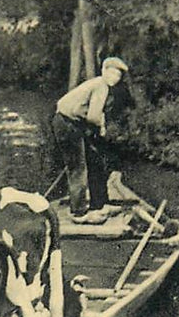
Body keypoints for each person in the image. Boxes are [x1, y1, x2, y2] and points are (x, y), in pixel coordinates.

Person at [51, 56, 128, 224]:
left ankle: (99, 204)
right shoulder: (101, 86)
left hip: (75, 123)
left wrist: (99, 124)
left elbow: (93, 112)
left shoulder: (100, 84)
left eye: (118, 76)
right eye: (112, 73)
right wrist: (102, 126)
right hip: (67, 123)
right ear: (104, 71)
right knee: (78, 168)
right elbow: (93, 116)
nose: (115, 78)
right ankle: (78, 213)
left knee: (96, 161)